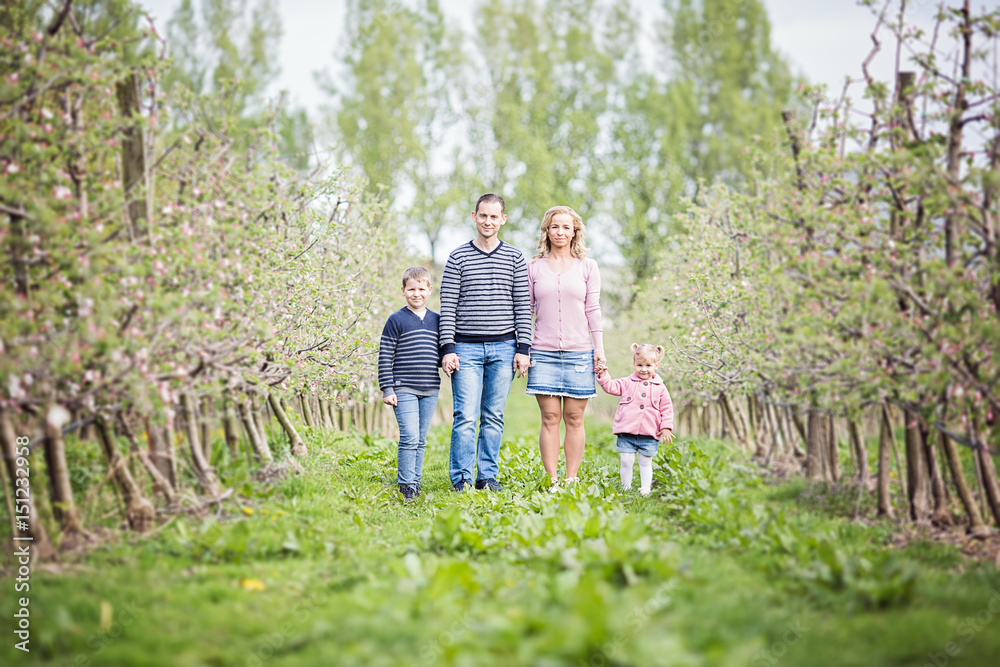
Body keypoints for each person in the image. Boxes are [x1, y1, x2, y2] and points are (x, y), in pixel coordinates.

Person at [439, 194, 531, 492]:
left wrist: (523, 349)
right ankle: (462, 478)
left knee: (494, 416)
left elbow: (522, 306)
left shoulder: (515, 258)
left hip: (504, 348)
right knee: (465, 416)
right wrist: (447, 348)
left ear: (503, 219)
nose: (488, 222)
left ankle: (487, 476)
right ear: (474, 217)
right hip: (464, 348)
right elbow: (448, 306)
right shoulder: (458, 258)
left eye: (494, 217)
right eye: (483, 216)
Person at [525, 206, 605, 490]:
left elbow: (593, 310)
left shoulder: (588, 266)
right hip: (542, 352)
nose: (560, 232)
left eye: (566, 227)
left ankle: (571, 477)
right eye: (555, 226)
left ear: (575, 232)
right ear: (547, 230)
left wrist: (599, 349)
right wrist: (523, 349)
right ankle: (553, 479)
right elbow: (526, 310)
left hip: (580, 353)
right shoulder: (533, 267)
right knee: (549, 417)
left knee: (574, 417)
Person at [378, 266, 442, 502]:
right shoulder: (396, 320)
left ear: (430, 290)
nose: (417, 294)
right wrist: (388, 388)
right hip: (403, 387)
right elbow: (385, 355)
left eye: (422, 289)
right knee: (410, 436)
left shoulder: (437, 320)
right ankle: (406, 484)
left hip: (430, 387)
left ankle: (415, 479)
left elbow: (444, 350)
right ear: (403, 290)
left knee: (421, 438)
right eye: (411, 289)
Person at [596, 343, 675, 496]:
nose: (643, 369)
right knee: (626, 460)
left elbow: (666, 408)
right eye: (639, 365)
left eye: (648, 365)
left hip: (650, 432)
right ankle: (625, 487)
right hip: (627, 431)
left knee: (645, 462)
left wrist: (666, 427)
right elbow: (611, 387)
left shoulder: (660, 387)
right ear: (634, 363)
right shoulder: (627, 383)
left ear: (656, 366)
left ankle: (645, 489)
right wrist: (603, 375)